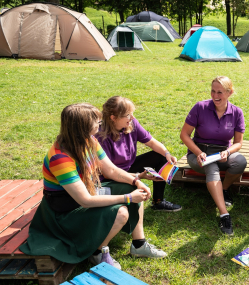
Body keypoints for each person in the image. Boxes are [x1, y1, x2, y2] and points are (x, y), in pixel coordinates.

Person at [20, 103, 167, 270]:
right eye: (96, 121)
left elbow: (111, 170)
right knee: (120, 213)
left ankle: (139, 245)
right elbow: (85, 200)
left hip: (85, 195)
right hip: (65, 211)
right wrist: (128, 198)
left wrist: (136, 182)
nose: (100, 123)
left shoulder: (89, 141)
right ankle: (97, 252)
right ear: (82, 126)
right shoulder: (60, 158)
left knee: (133, 189)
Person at [180, 76, 246, 236]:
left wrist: (228, 152)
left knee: (240, 161)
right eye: (213, 91)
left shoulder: (237, 112)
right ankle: (224, 215)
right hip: (199, 153)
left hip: (222, 152)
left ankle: (223, 189)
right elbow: (184, 135)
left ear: (229, 93)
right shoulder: (200, 107)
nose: (215, 96)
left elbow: (238, 143)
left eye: (220, 92)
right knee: (211, 166)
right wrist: (198, 152)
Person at [97, 96, 182, 212]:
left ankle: (158, 201)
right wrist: (138, 176)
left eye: (132, 113)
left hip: (128, 167)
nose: (132, 117)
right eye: (128, 115)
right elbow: (108, 173)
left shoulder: (132, 124)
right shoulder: (100, 137)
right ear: (113, 118)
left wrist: (167, 153)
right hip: (111, 176)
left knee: (160, 156)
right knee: (138, 188)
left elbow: (151, 142)